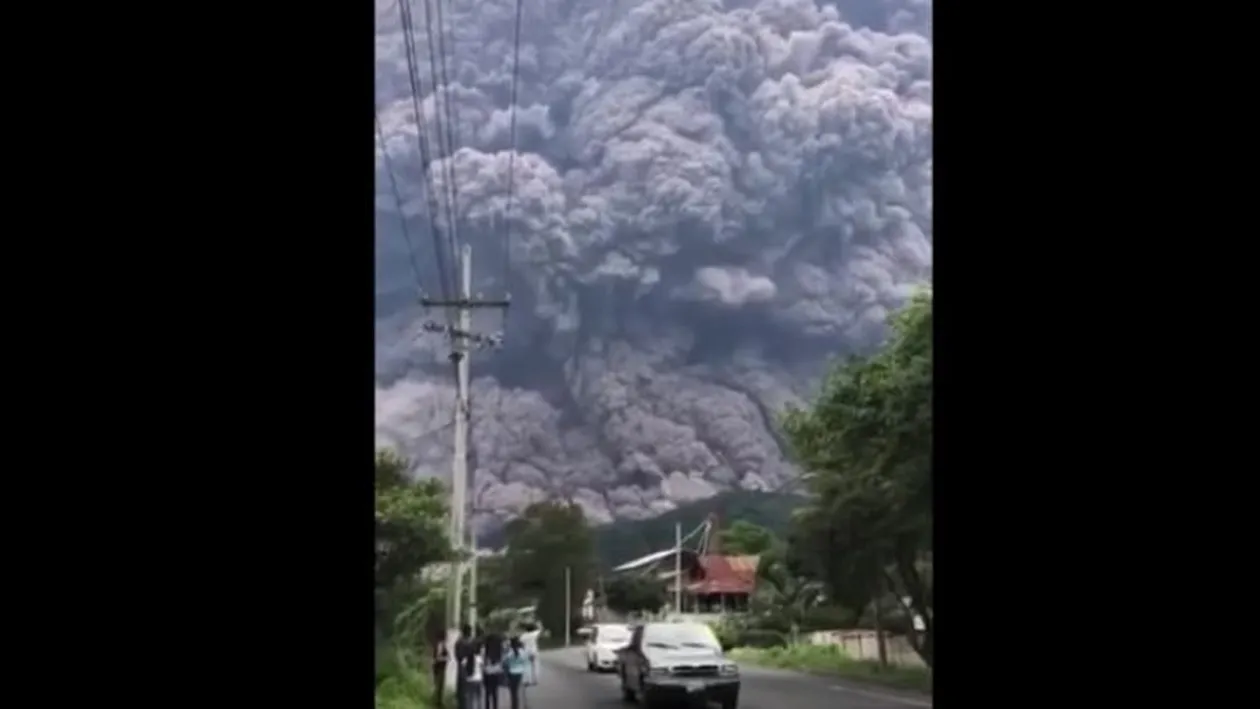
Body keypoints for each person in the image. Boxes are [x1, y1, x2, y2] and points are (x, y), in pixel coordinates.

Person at [454, 625, 480, 709]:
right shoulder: (472, 642)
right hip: (471, 669)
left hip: (461, 668)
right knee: (469, 693)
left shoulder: (459, 642)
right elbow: (476, 653)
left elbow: (457, 656)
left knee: (462, 691)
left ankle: (461, 706)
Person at [481, 630, 506, 709]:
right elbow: (502, 660)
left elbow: (482, 660)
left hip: (487, 671)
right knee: (495, 691)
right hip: (496, 670)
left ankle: (487, 707)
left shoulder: (485, 648)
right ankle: (495, 706)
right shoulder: (499, 648)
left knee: (487, 692)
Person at [504, 636, 529, 709]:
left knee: (513, 693)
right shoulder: (522, 652)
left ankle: (514, 706)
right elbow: (526, 662)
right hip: (520, 673)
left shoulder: (509, 653)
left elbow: (506, 662)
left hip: (511, 673)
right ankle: (523, 706)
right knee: (521, 692)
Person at [432, 632, 451, 707]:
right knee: (439, 686)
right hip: (439, 668)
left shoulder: (442, 646)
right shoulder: (440, 646)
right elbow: (437, 658)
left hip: (441, 668)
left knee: (440, 686)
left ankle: (439, 702)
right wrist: (445, 658)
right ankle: (437, 702)